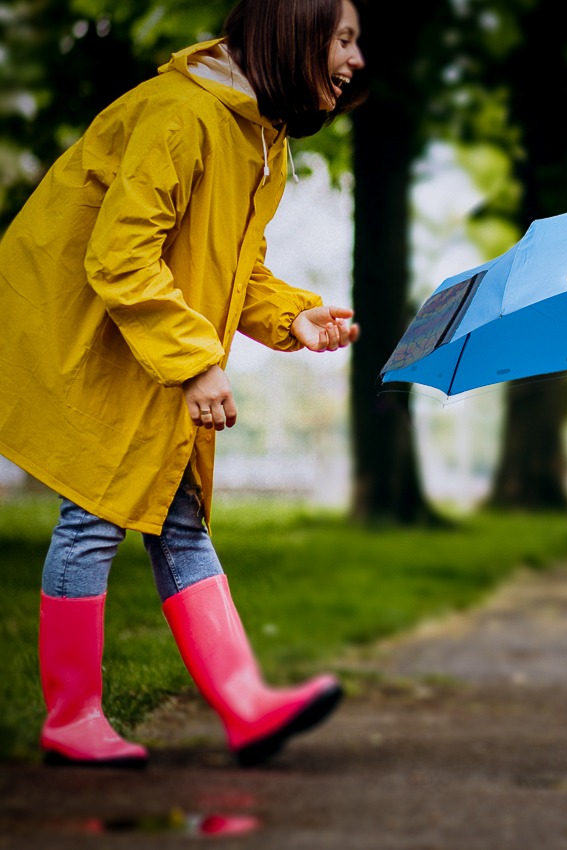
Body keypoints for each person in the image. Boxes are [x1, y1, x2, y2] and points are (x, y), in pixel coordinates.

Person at [0, 0, 367, 768]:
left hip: (149, 339)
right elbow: (120, 258)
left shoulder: (260, 142)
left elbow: (235, 269)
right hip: (86, 333)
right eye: (343, 38)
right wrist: (197, 361)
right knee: (95, 515)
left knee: (180, 517)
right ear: (291, 33)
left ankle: (245, 705)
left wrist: (290, 317)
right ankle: (71, 717)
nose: (355, 59)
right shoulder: (180, 116)